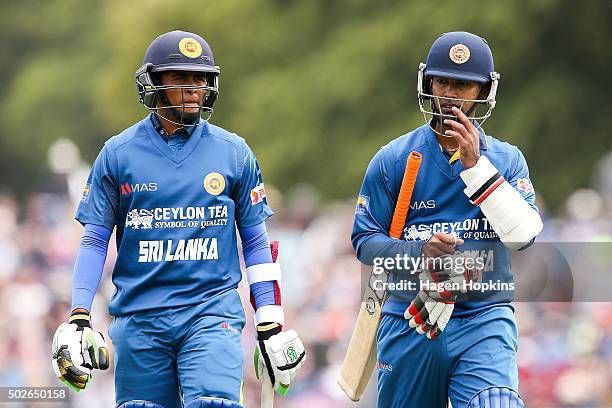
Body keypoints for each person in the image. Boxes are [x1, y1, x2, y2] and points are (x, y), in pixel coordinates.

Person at [51, 30, 305, 408]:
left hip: (211, 311)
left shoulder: (234, 153)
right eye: (181, 78)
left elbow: (254, 240)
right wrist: (79, 317)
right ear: (155, 84)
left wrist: (269, 321)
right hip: (140, 317)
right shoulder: (118, 155)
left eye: (200, 79)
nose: (194, 89)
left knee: (212, 403)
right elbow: (93, 240)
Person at [351, 31, 543, 407]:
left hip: (483, 317)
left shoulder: (507, 160)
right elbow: (364, 242)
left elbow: (524, 237)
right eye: (444, 81)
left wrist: (476, 168)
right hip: (411, 315)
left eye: (464, 85)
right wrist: (421, 253)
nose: (451, 94)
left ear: (484, 92)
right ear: (428, 83)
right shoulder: (393, 159)